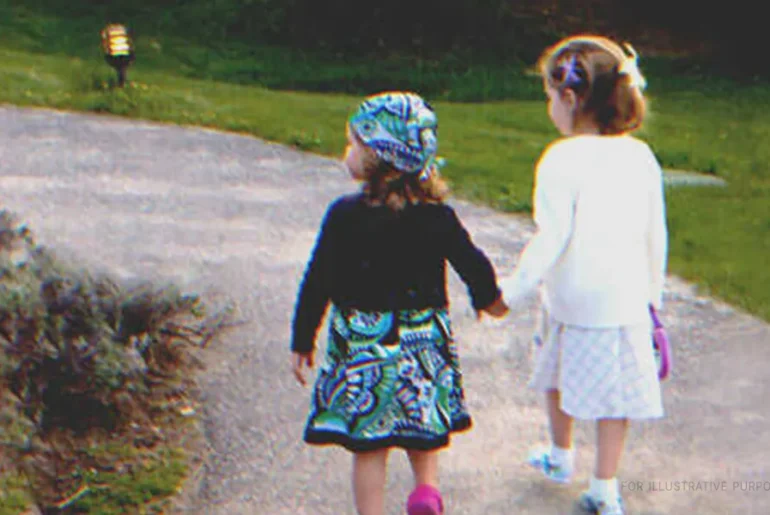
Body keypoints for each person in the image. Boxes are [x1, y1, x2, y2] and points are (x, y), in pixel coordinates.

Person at [290, 91, 508, 515]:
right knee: (421, 425)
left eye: (354, 144)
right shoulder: (436, 216)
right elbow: (471, 261)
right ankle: (426, 491)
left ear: (378, 157)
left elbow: (318, 280)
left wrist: (303, 339)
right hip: (420, 344)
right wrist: (490, 299)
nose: (347, 153)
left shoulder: (344, 215)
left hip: (362, 346)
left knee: (369, 447)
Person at [499, 35, 668, 515]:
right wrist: (653, 297)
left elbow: (549, 239)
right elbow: (655, 232)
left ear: (570, 98)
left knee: (556, 374)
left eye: (550, 98)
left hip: (571, 302)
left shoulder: (560, 159)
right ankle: (605, 489)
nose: (550, 107)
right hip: (625, 303)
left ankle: (559, 455)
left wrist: (509, 292)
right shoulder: (641, 157)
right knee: (613, 401)